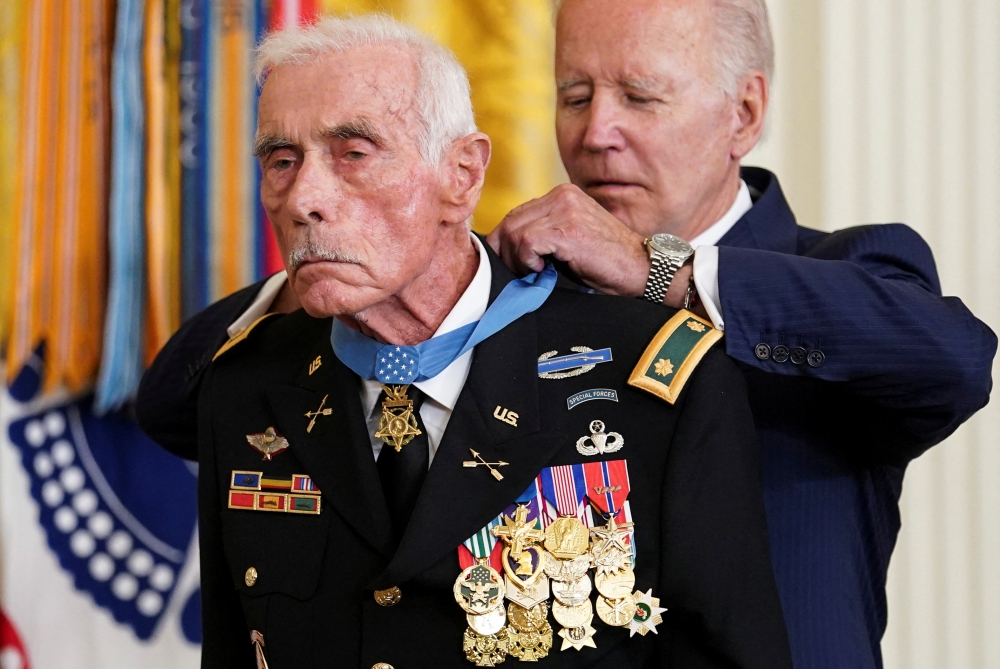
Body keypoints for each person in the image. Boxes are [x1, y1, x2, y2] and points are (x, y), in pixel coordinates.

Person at [144, 15, 793, 669]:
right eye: (282, 161)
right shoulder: (246, 387)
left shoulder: (651, 376)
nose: (303, 198)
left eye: (354, 154)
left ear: (461, 174)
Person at [484, 2, 997, 668]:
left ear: (744, 113)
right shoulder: (513, 300)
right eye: (574, 96)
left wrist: (660, 271)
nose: (595, 132)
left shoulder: (845, 268)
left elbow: (955, 358)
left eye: (641, 97)